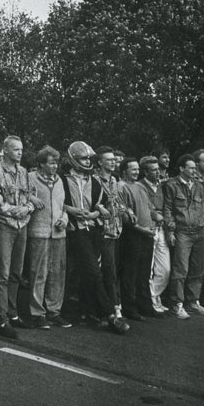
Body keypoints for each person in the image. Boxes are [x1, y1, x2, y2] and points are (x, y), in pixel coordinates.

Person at [62, 141, 129, 335]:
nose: (87, 161)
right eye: (83, 158)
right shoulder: (63, 179)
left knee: (89, 272)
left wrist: (96, 212)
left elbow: (103, 206)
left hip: (94, 229)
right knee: (93, 271)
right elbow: (58, 203)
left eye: (88, 158)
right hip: (75, 230)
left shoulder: (93, 180)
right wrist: (73, 210)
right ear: (73, 159)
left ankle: (88, 311)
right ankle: (110, 315)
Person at [0, 135, 40, 338]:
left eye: (21, 149)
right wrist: (14, 210)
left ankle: (13, 312)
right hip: (5, 225)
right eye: (16, 149)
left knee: (16, 272)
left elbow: (30, 196)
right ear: (6, 150)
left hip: (22, 225)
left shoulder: (24, 172)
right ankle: (1, 319)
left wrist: (26, 208)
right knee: (2, 272)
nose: (20, 152)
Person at [26, 146, 70, 329]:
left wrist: (64, 219)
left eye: (56, 163)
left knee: (58, 273)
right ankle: (37, 313)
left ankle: (54, 311)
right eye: (51, 163)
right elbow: (19, 195)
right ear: (41, 163)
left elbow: (64, 205)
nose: (54, 166)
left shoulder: (60, 180)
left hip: (59, 233)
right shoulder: (30, 178)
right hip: (39, 231)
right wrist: (30, 197)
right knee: (39, 273)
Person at [163, 155, 204, 318]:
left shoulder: (199, 185)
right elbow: (167, 209)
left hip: (200, 230)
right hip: (183, 231)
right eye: (191, 168)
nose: (195, 170)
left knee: (198, 268)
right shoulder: (171, 185)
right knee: (181, 268)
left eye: (195, 167)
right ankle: (177, 303)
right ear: (182, 169)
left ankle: (193, 301)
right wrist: (170, 230)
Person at [117, 158, 158, 320]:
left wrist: (155, 221)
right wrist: (143, 230)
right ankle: (130, 308)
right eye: (132, 169)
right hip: (133, 236)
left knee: (144, 273)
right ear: (124, 171)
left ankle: (145, 306)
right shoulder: (121, 187)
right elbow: (125, 219)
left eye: (137, 169)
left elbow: (150, 209)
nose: (136, 172)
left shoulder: (140, 187)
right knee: (130, 273)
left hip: (147, 235)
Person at [94, 146, 125, 318]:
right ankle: (110, 309)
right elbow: (92, 202)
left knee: (113, 270)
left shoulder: (114, 180)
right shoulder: (94, 180)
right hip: (102, 231)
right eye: (109, 159)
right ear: (99, 162)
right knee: (106, 271)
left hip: (116, 230)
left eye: (114, 159)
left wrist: (126, 210)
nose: (113, 162)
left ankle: (115, 306)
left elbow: (118, 201)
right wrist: (100, 207)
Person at [138, 155, 170, 313]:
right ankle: (150, 301)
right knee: (148, 268)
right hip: (148, 229)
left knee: (165, 269)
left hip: (162, 228)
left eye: (158, 169)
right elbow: (144, 206)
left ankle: (154, 295)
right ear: (145, 172)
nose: (158, 172)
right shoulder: (140, 186)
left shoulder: (163, 186)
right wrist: (155, 214)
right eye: (154, 170)